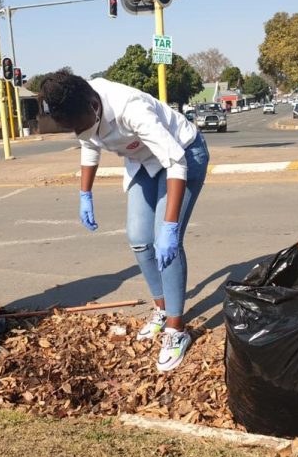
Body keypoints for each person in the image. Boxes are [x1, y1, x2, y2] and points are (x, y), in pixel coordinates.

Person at [41, 72, 209, 372]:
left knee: (163, 242)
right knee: (139, 239)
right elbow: (90, 145)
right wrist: (85, 193)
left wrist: (170, 228)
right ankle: (161, 309)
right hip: (144, 161)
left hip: (183, 154)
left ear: (94, 105)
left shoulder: (130, 108)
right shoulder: (84, 111)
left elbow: (175, 161)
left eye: (81, 126)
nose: (80, 133)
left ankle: (176, 329)